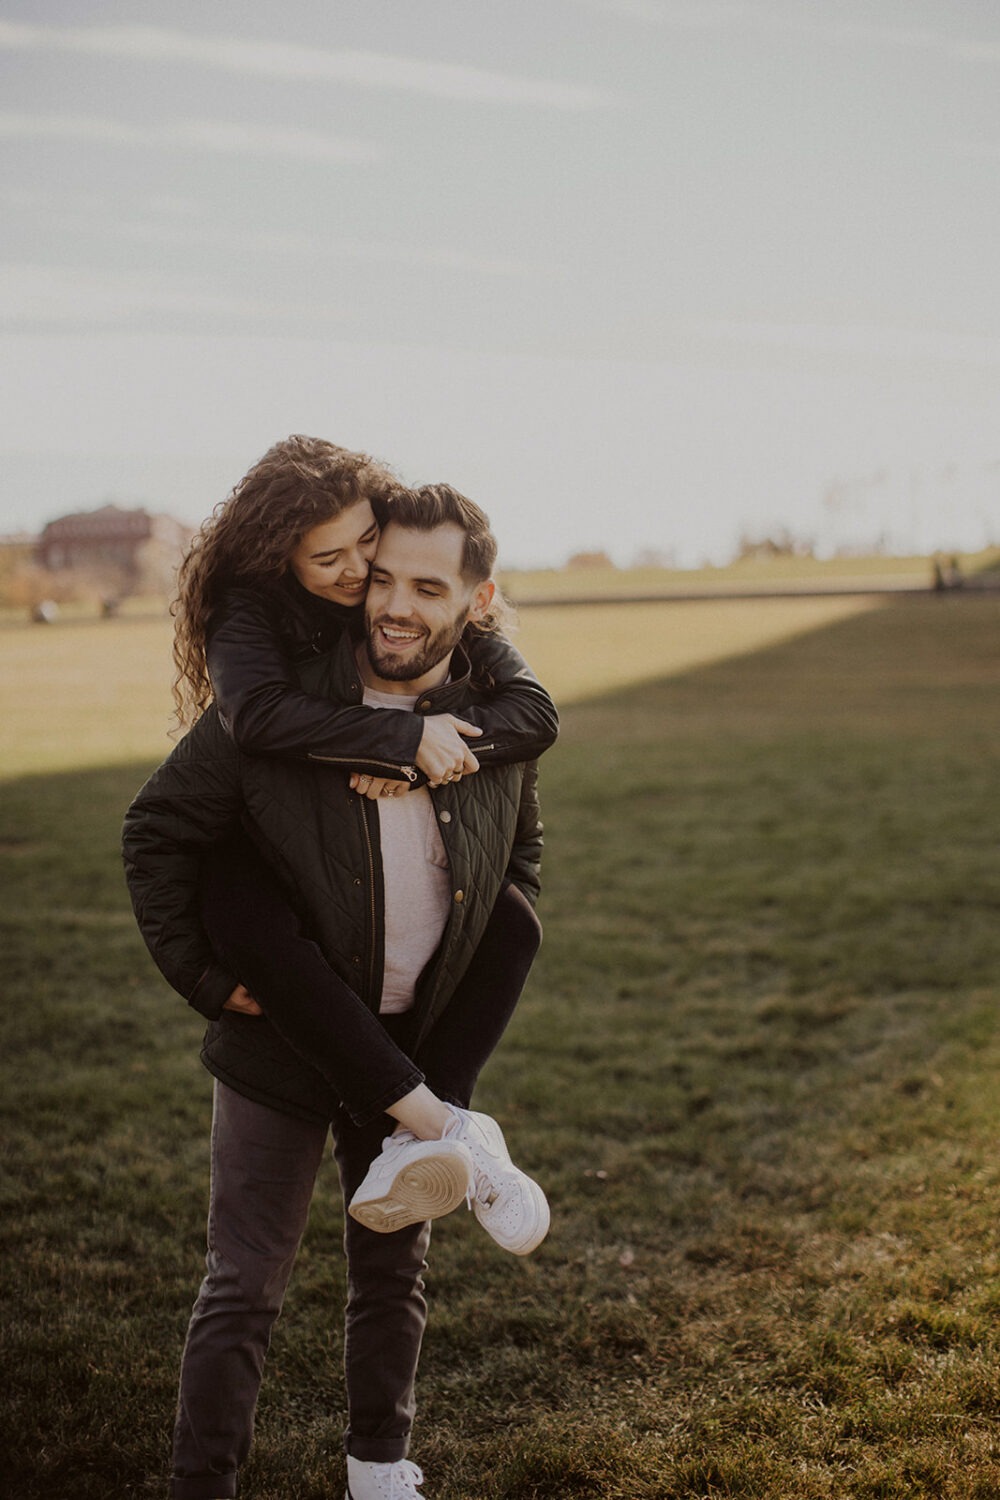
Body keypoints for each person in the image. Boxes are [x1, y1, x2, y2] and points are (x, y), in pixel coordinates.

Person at [123, 481, 552, 1500]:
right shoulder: (277, 711)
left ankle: (378, 1470)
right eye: (381, 578)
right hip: (282, 1033)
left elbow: (517, 872)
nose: (394, 604)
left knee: (393, 1274)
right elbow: (160, 834)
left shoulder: (492, 727)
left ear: (477, 600)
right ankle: (203, 1482)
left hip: (412, 1034)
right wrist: (201, 973)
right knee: (245, 1284)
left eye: (427, 585)